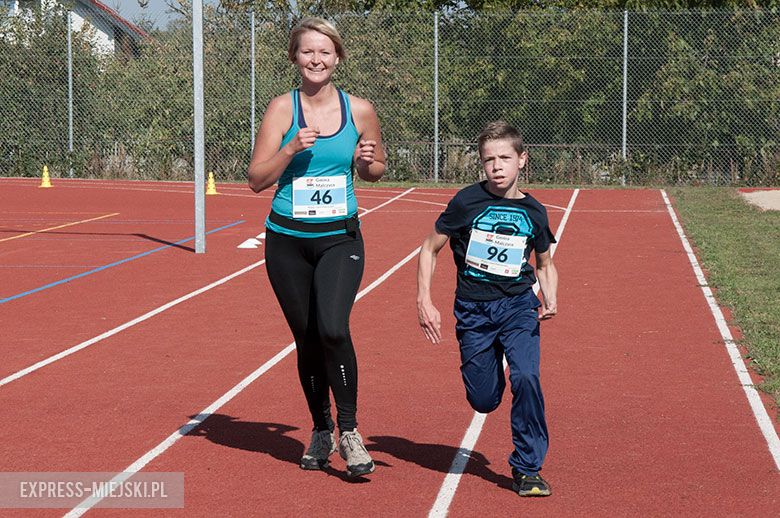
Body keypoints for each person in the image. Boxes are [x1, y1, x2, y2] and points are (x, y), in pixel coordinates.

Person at [247, 16, 385, 477]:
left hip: (338, 238)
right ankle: (320, 428)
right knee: (305, 338)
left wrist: (368, 163)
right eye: (308, 51)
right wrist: (289, 150)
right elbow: (255, 180)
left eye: (325, 52)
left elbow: (375, 169)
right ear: (295, 57)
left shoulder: (360, 110)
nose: (316, 59)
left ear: (338, 57)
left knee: (332, 327)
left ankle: (349, 430)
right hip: (286, 240)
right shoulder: (281, 110)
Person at [416, 121, 558, 496]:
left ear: (522, 160)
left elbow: (544, 262)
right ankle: (487, 374)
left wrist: (551, 296)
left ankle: (528, 467)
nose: (496, 166)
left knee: (526, 377)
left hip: (517, 307)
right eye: (489, 160)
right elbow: (429, 248)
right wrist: (424, 299)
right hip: (474, 312)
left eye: (504, 158)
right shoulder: (467, 202)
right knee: (484, 399)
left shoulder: (535, 212)